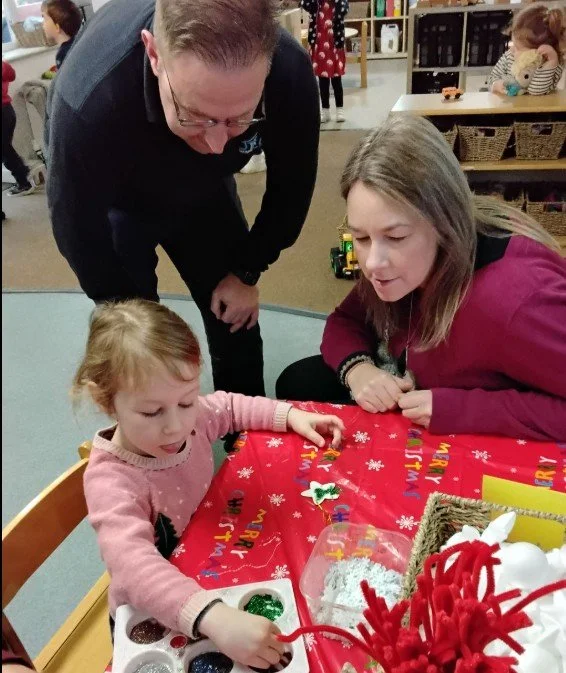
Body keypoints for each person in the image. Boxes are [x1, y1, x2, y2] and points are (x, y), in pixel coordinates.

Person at [45, 0, 320, 412]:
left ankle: (244, 438)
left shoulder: (290, 72)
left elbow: (292, 187)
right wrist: (124, 310)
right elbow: (77, 231)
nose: (216, 144)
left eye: (240, 118)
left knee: (235, 318)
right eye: (195, 116)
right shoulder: (87, 101)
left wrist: (248, 269)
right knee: (137, 343)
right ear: (154, 54)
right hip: (122, 200)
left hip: (205, 197)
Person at [74, 299, 344, 669]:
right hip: (153, 614)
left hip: (212, 567)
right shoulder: (111, 478)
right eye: (152, 412)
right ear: (105, 400)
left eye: (186, 402)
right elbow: (133, 567)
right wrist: (213, 617)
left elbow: (230, 407)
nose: (176, 426)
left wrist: (290, 415)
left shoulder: (191, 417)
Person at [276, 114, 566, 441]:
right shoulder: (401, 267)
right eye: (361, 237)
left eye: (396, 237)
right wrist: (358, 370)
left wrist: (462, 408)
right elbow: (346, 319)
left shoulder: (518, 299)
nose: (372, 263)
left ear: (443, 223)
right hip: (412, 381)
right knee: (296, 382)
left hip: (467, 424)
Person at [488, 3, 565, 96]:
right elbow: (492, 77)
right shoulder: (509, 56)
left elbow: (535, 91)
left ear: (539, 52)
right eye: (513, 44)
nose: (512, 50)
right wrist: (495, 85)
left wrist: (551, 62)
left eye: (518, 48)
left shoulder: (553, 65)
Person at [301, 0, 349, 123]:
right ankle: (325, 110)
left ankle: (340, 109)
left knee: (337, 79)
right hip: (320, 43)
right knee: (323, 79)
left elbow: (344, 9)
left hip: (335, 43)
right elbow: (305, 4)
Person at [2, 61, 36, 201]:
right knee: (6, 149)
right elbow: (12, 75)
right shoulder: (3, 65)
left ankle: (24, 181)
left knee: (5, 151)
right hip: (8, 111)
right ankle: (23, 176)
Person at [41, 0, 83, 70]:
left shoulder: (62, 55)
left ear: (57, 27)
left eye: (44, 18)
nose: (42, 23)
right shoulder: (77, 43)